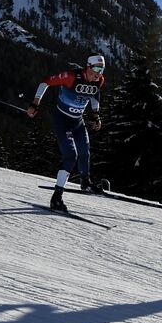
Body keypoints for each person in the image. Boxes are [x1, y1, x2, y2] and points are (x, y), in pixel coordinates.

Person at [26, 54, 106, 211]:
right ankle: (56, 197)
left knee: (85, 152)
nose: (99, 73)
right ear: (88, 66)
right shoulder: (71, 76)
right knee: (71, 156)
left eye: (102, 69)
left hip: (78, 121)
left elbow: (95, 95)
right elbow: (45, 82)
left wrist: (96, 115)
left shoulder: (99, 81)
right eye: (96, 68)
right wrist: (35, 104)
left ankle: (85, 182)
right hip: (62, 121)